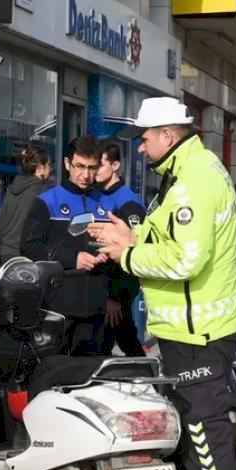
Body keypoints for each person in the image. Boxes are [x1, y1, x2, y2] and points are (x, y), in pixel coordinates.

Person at [89, 97, 236, 470]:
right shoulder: (185, 172)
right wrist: (130, 235)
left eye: (144, 137)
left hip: (200, 334)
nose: (139, 147)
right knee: (193, 437)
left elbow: (185, 259)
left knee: (205, 436)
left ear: (168, 135)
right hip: (190, 330)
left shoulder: (193, 181)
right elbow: (171, 238)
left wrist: (127, 254)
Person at [21, 135, 112, 355]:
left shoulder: (106, 204)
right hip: (57, 309)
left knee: (93, 383)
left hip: (97, 311)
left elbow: (119, 249)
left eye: (92, 168)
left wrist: (109, 258)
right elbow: (30, 247)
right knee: (54, 379)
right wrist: (73, 258)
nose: (86, 175)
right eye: (80, 166)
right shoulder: (47, 201)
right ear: (67, 164)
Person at [96, 141, 148, 357]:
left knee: (122, 344)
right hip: (98, 289)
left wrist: (116, 297)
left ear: (115, 165)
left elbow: (134, 250)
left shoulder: (128, 202)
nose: (94, 171)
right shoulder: (96, 195)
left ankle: (151, 385)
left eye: (99, 165)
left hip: (115, 293)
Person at [0, 144, 52, 267]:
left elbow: (2, 224)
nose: (50, 169)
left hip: (5, 254)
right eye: (48, 165)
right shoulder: (42, 192)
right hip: (25, 257)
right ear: (40, 168)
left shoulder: (11, 189)